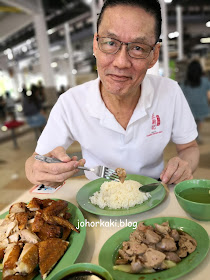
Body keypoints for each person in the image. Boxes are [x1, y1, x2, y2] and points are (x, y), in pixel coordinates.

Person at [25, 0, 199, 188]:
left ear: (154, 55)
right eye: (110, 43)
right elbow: (34, 162)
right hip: (97, 195)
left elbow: (189, 147)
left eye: (138, 47)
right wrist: (40, 171)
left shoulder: (170, 92)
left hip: (155, 191)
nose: (121, 62)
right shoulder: (70, 103)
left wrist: (185, 164)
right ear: (95, 45)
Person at [180, 60, 210, 144]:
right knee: (200, 121)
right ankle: (197, 135)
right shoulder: (205, 81)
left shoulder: (185, 82)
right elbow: (209, 95)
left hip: (189, 108)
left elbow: (182, 96)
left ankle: (191, 137)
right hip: (202, 106)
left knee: (191, 123)